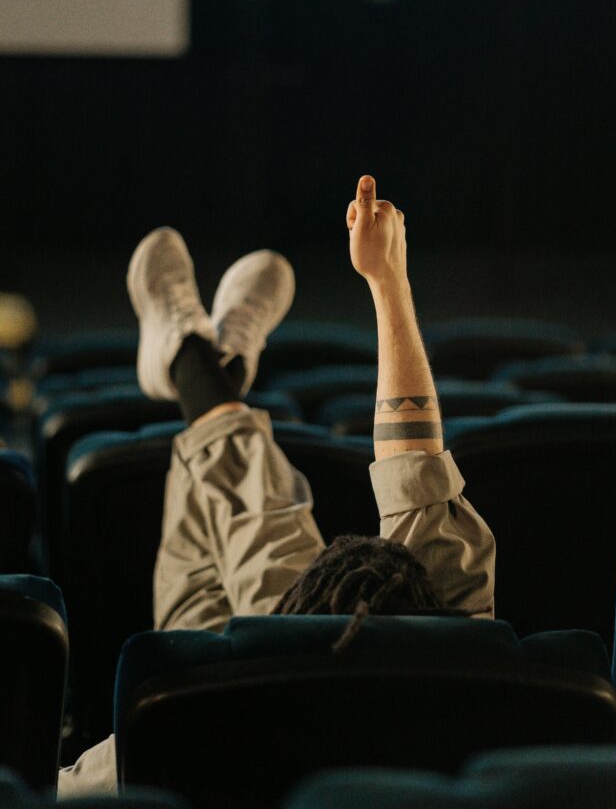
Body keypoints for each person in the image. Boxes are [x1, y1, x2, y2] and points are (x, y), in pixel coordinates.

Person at [58, 175, 495, 796]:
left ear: (285, 627)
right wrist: (388, 283)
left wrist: (388, 279)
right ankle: (200, 365)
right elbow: (416, 475)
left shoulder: (174, 729)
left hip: (231, 698)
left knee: (260, 519)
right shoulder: (480, 678)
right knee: (221, 525)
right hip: (236, 683)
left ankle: (196, 364)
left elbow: (49, 793)